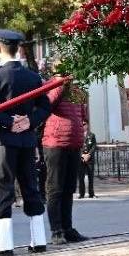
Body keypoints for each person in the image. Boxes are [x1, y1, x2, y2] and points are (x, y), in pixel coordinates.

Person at [0, 29, 52, 256]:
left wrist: (9, 121)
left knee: (4, 189)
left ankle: (6, 244)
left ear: (0, 48)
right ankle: (38, 240)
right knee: (30, 187)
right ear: (19, 49)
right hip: (27, 140)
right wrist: (28, 121)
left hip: (3, 141)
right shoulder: (33, 77)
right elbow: (45, 107)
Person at [42, 67, 91, 245]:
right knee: (55, 189)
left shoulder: (76, 90)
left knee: (69, 188)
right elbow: (47, 105)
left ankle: (67, 228)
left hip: (74, 144)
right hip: (55, 143)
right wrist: (59, 84)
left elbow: (82, 116)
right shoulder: (49, 87)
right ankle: (56, 230)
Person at [78, 120, 97, 199]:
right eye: (82, 124)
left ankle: (91, 193)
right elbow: (77, 146)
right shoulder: (78, 135)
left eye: (84, 124)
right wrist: (82, 155)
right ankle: (81, 194)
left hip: (89, 159)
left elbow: (94, 146)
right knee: (81, 177)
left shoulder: (92, 135)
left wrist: (88, 154)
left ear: (87, 125)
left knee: (90, 177)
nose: (83, 126)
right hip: (81, 159)